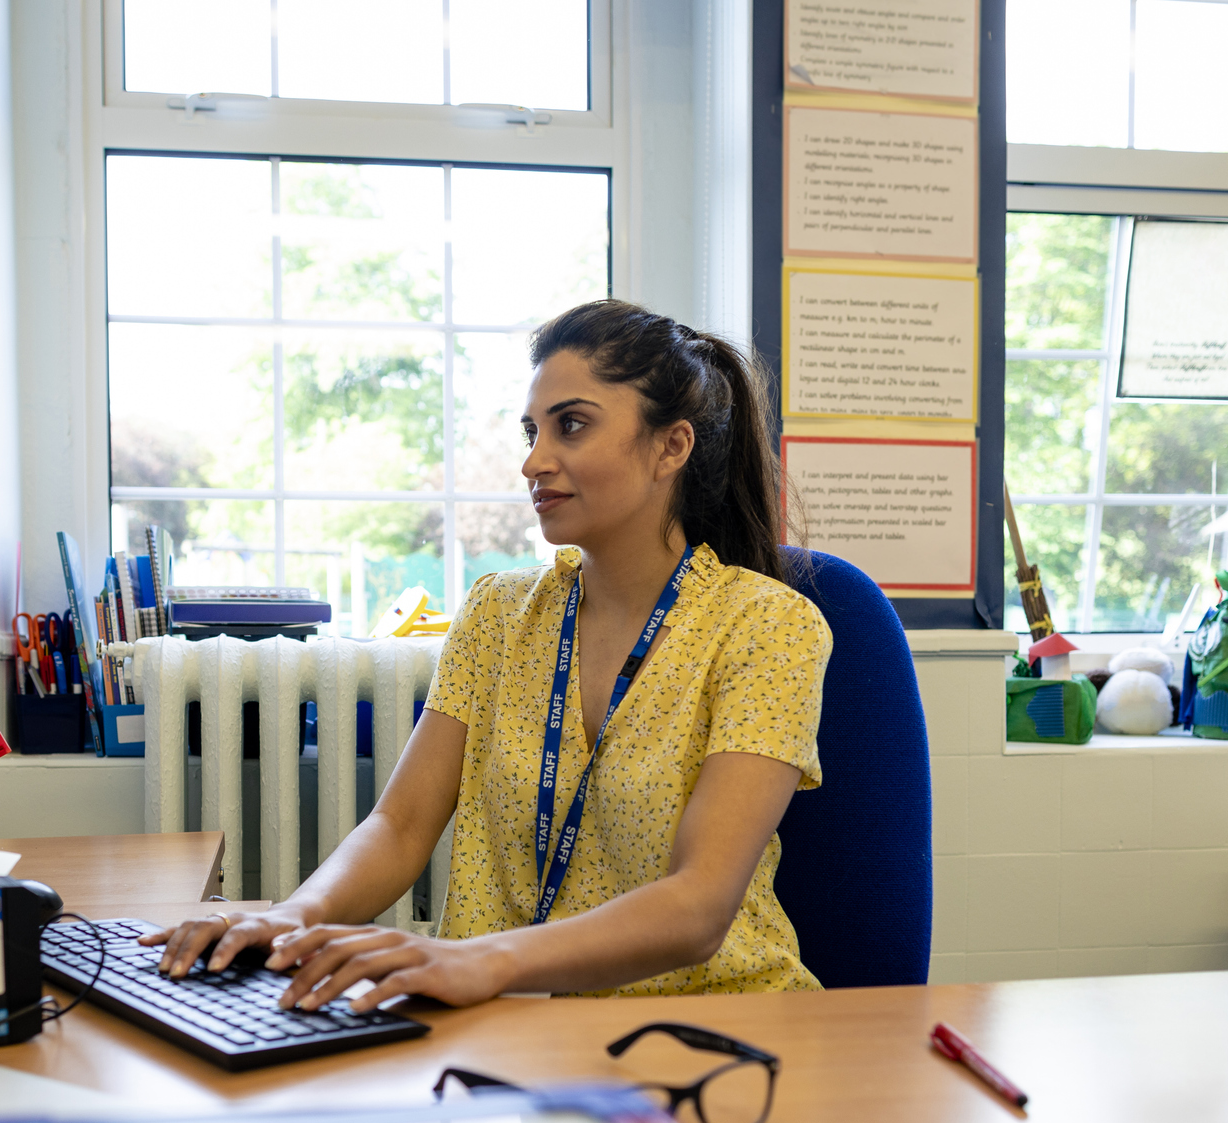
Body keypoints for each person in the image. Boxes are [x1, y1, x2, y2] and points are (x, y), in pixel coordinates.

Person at [148, 299, 832, 1011]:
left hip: (711, 1027)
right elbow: (400, 825)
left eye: (571, 425)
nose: (534, 460)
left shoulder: (768, 627)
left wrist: (480, 959)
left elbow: (698, 907)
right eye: (531, 431)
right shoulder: (498, 613)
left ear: (671, 447)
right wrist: (291, 918)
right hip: (512, 1024)